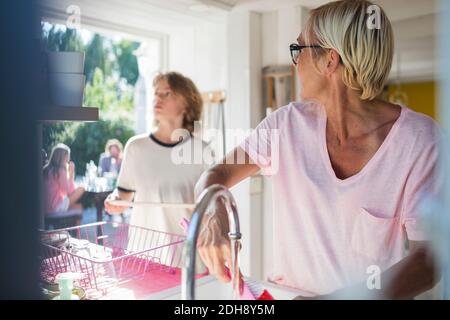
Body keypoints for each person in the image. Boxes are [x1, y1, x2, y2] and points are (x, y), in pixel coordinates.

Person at [195, 0, 442, 299]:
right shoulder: (285, 124)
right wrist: (214, 213)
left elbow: (428, 259)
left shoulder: (422, 140)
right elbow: (216, 172)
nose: (294, 61)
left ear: (329, 60)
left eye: (299, 49)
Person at [104, 72, 214, 258]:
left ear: (187, 104)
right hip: (144, 259)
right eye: (156, 93)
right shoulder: (136, 147)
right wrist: (115, 201)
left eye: (167, 93)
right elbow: (124, 194)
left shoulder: (202, 152)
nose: (157, 98)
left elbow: (210, 210)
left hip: (189, 260)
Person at [43, 143, 85, 214]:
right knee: (81, 188)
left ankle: (69, 223)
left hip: (45, 208)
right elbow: (69, 191)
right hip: (54, 208)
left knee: (78, 207)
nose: (68, 160)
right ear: (63, 157)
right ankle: (65, 222)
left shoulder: (46, 169)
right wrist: (71, 173)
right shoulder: (60, 170)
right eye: (67, 157)